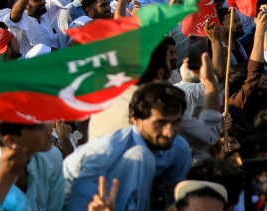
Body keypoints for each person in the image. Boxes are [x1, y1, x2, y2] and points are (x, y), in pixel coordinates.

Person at [62, 82, 192, 210]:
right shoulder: (106, 150)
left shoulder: (178, 147)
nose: (169, 132)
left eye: (175, 122)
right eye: (160, 123)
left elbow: (175, 199)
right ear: (135, 119)